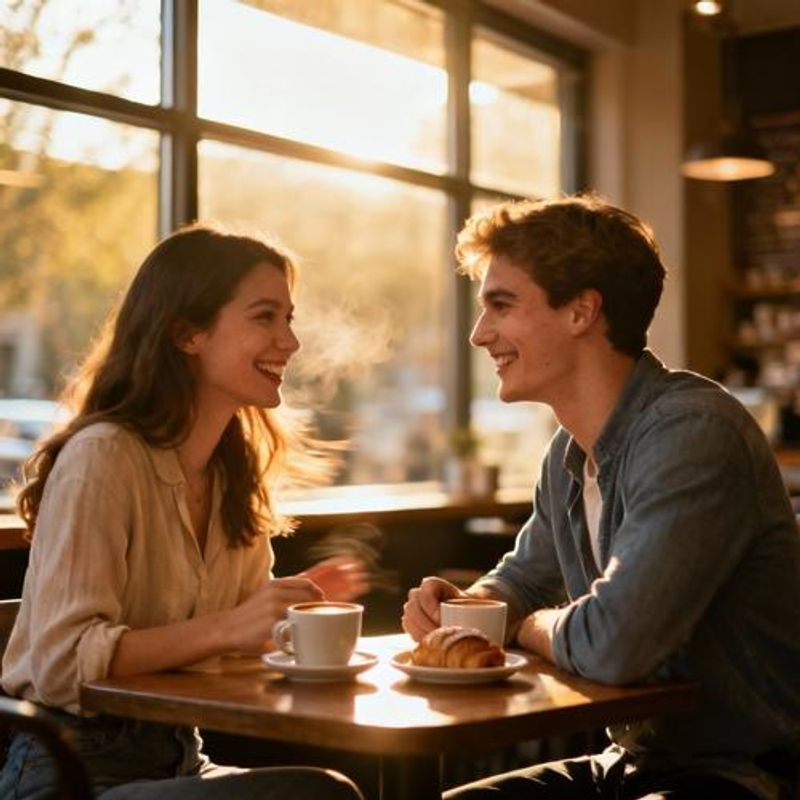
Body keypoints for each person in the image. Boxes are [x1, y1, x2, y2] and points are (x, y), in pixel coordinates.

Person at [403, 195, 800, 800]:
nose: (479, 334)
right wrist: (465, 609)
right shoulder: (567, 454)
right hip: (632, 762)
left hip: (747, 775)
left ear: (582, 311)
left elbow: (614, 646)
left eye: (501, 306)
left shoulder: (694, 432)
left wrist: (525, 626)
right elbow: (521, 583)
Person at [0, 223, 367, 800]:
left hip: (182, 759)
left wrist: (283, 622)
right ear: (187, 333)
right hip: (72, 773)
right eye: (264, 316)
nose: (289, 342)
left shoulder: (233, 474)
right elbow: (63, 663)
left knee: (342, 785)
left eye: (288, 319)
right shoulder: (104, 457)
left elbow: (235, 643)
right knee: (319, 795)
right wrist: (234, 625)